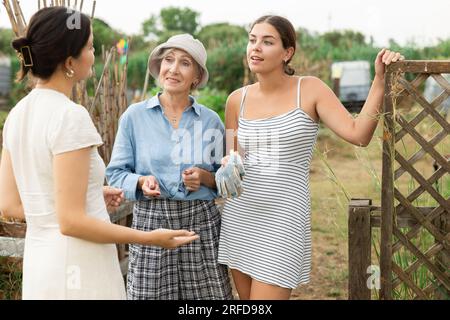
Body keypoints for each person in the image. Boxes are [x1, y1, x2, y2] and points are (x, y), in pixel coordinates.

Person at [0, 7, 198, 300]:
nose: (94, 54)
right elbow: (71, 222)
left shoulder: (17, 114)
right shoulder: (70, 116)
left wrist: (91, 194)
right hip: (80, 265)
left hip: (42, 267)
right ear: (70, 61)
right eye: (90, 47)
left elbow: (10, 204)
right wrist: (149, 238)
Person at [217, 15, 404, 300]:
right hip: (241, 217)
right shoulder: (236, 99)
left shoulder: (310, 89)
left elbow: (358, 133)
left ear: (287, 52)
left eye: (267, 42)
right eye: (252, 40)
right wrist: (227, 163)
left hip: (284, 219)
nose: (255, 48)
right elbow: (232, 154)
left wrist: (379, 80)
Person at [106, 34, 233, 300]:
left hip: (200, 223)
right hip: (151, 223)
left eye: (185, 63)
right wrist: (141, 183)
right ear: (159, 67)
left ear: (196, 76)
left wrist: (205, 177)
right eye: (168, 60)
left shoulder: (211, 121)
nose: (174, 68)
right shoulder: (134, 117)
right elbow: (115, 174)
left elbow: (226, 180)